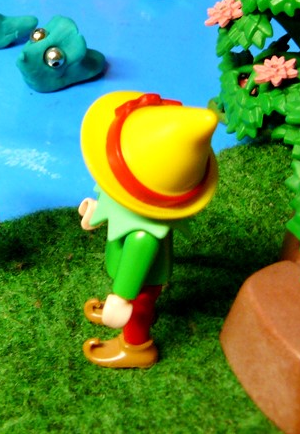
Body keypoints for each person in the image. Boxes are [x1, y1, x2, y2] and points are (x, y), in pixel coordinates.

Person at [78, 91, 219, 368]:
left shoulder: (143, 235)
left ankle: (135, 347)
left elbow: (135, 267)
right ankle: (126, 312)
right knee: (132, 302)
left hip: (139, 284)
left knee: (138, 309)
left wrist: (122, 298)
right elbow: (115, 200)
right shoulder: (121, 193)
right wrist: (97, 210)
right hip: (123, 265)